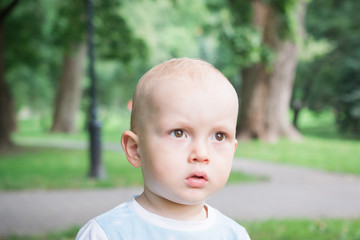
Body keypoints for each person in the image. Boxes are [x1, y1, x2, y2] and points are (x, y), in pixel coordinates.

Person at [76, 58, 251, 239]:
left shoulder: (234, 235)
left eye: (219, 136)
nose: (201, 154)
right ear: (135, 149)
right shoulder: (106, 234)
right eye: (178, 133)